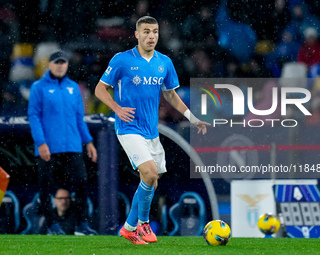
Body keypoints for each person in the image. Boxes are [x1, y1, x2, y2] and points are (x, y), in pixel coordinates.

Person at [94, 16, 210, 245]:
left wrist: (193, 118)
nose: (151, 36)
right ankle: (143, 224)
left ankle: (128, 227)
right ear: (137, 34)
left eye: (155, 32)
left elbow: (171, 95)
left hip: (151, 131)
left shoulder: (164, 62)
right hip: (128, 128)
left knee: (151, 182)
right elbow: (99, 89)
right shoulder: (122, 60)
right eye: (146, 31)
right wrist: (116, 108)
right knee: (149, 174)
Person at [28, 50, 98, 235]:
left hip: (72, 144)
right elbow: (33, 116)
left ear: (67, 65)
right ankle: (51, 224)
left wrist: (88, 142)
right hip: (48, 145)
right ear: (50, 65)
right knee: (46, 183)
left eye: (63, 62)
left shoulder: (73, 87)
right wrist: (41, 143)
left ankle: (82, 224)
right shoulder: (38, 87)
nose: (60, 65)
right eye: (56, 62)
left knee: (82, 181)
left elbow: (79, 117)